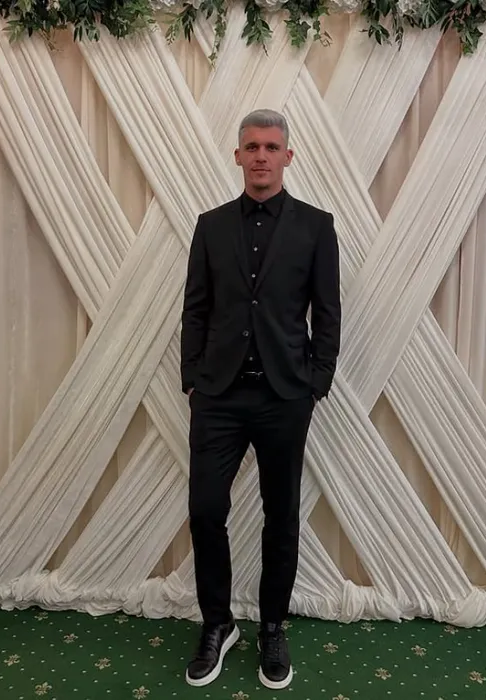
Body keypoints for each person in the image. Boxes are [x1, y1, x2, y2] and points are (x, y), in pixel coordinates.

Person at [180, 108, 341, 690]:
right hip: (218, 396)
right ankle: (217, 623)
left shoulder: (316, 226)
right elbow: (196, 307)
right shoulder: (210, 225)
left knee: (282, 515)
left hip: (284, 396)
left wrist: (316, 381)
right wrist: (193, 378)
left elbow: (328, 311)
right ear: (238, 156)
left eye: (272, 147)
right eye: (252, 147)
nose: (261, 156)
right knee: (205, 510)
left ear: (288, 156)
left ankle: (273, 625)